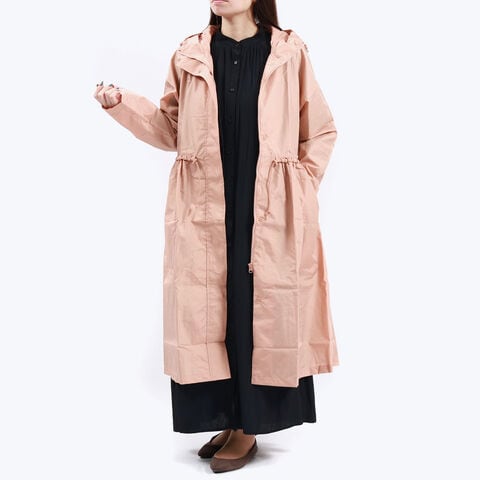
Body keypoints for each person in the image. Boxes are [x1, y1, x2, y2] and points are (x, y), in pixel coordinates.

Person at [94, 0, 339, 473]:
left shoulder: (288, 53)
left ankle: (249, 427)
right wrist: (122, 105)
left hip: (266, 206)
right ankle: (228, 419)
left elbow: (321, 131)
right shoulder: (190, 54)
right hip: (206, 205)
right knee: (208, 312)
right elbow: (170, 128)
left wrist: (299, 188)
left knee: (255, 307)